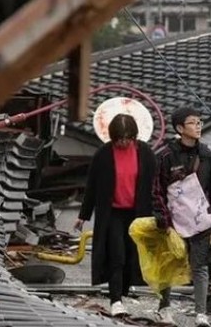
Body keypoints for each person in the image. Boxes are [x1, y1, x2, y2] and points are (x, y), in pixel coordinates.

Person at [75, 113, 157, 317]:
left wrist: (159, 213)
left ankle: (124, 290)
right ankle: (115, 300)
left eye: (128, 138)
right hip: (112, 212)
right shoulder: (103, 154)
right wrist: (83, 215)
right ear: (113, 137)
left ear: (134, 137)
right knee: (116, 254)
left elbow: (156, 185)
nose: (123, 142)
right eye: (120, 138)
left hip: (138, 212)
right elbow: (92, 186)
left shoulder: (145, 153)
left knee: (133, 254)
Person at [152, 107, 211, 327]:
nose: (198, 125)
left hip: (200, 220)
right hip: (172, 220)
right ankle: (164, 308)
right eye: (192, 123)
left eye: (199, 122)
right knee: (169, 263)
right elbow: (156, 190)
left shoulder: (207, 155)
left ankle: (201, 313)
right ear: (180, 128)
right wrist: (162, 217)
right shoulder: (165, 156)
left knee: (199, 266)